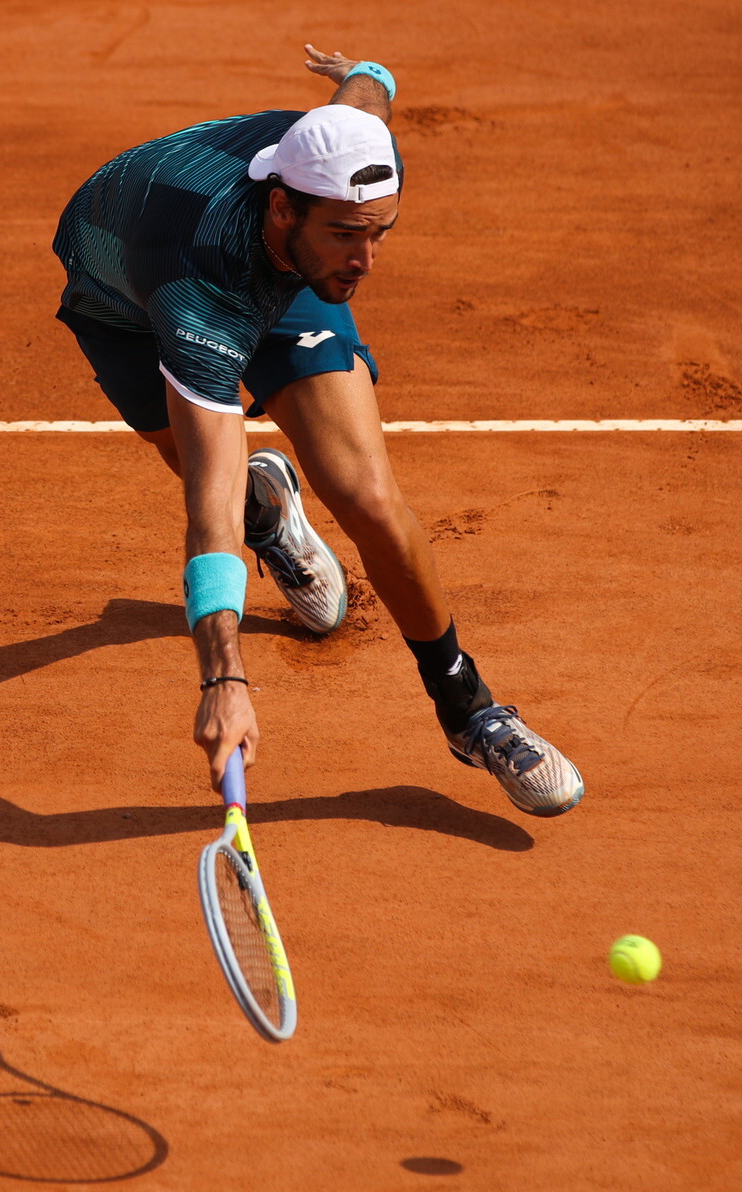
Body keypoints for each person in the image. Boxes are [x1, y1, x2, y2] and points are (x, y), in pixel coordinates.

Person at [52, 45, 583, 816]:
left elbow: (366, 96)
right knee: (210, 477)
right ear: (282, 206)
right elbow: (206, 508)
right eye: (346, 235)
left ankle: (469, 711)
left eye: (380, 233)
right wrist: (223, 679)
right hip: (128, 298)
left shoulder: (353, 167)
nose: (365, 260)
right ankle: (268, 515)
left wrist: (365, 72)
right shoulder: (198, 282)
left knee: (365, 493)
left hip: (287, 273)